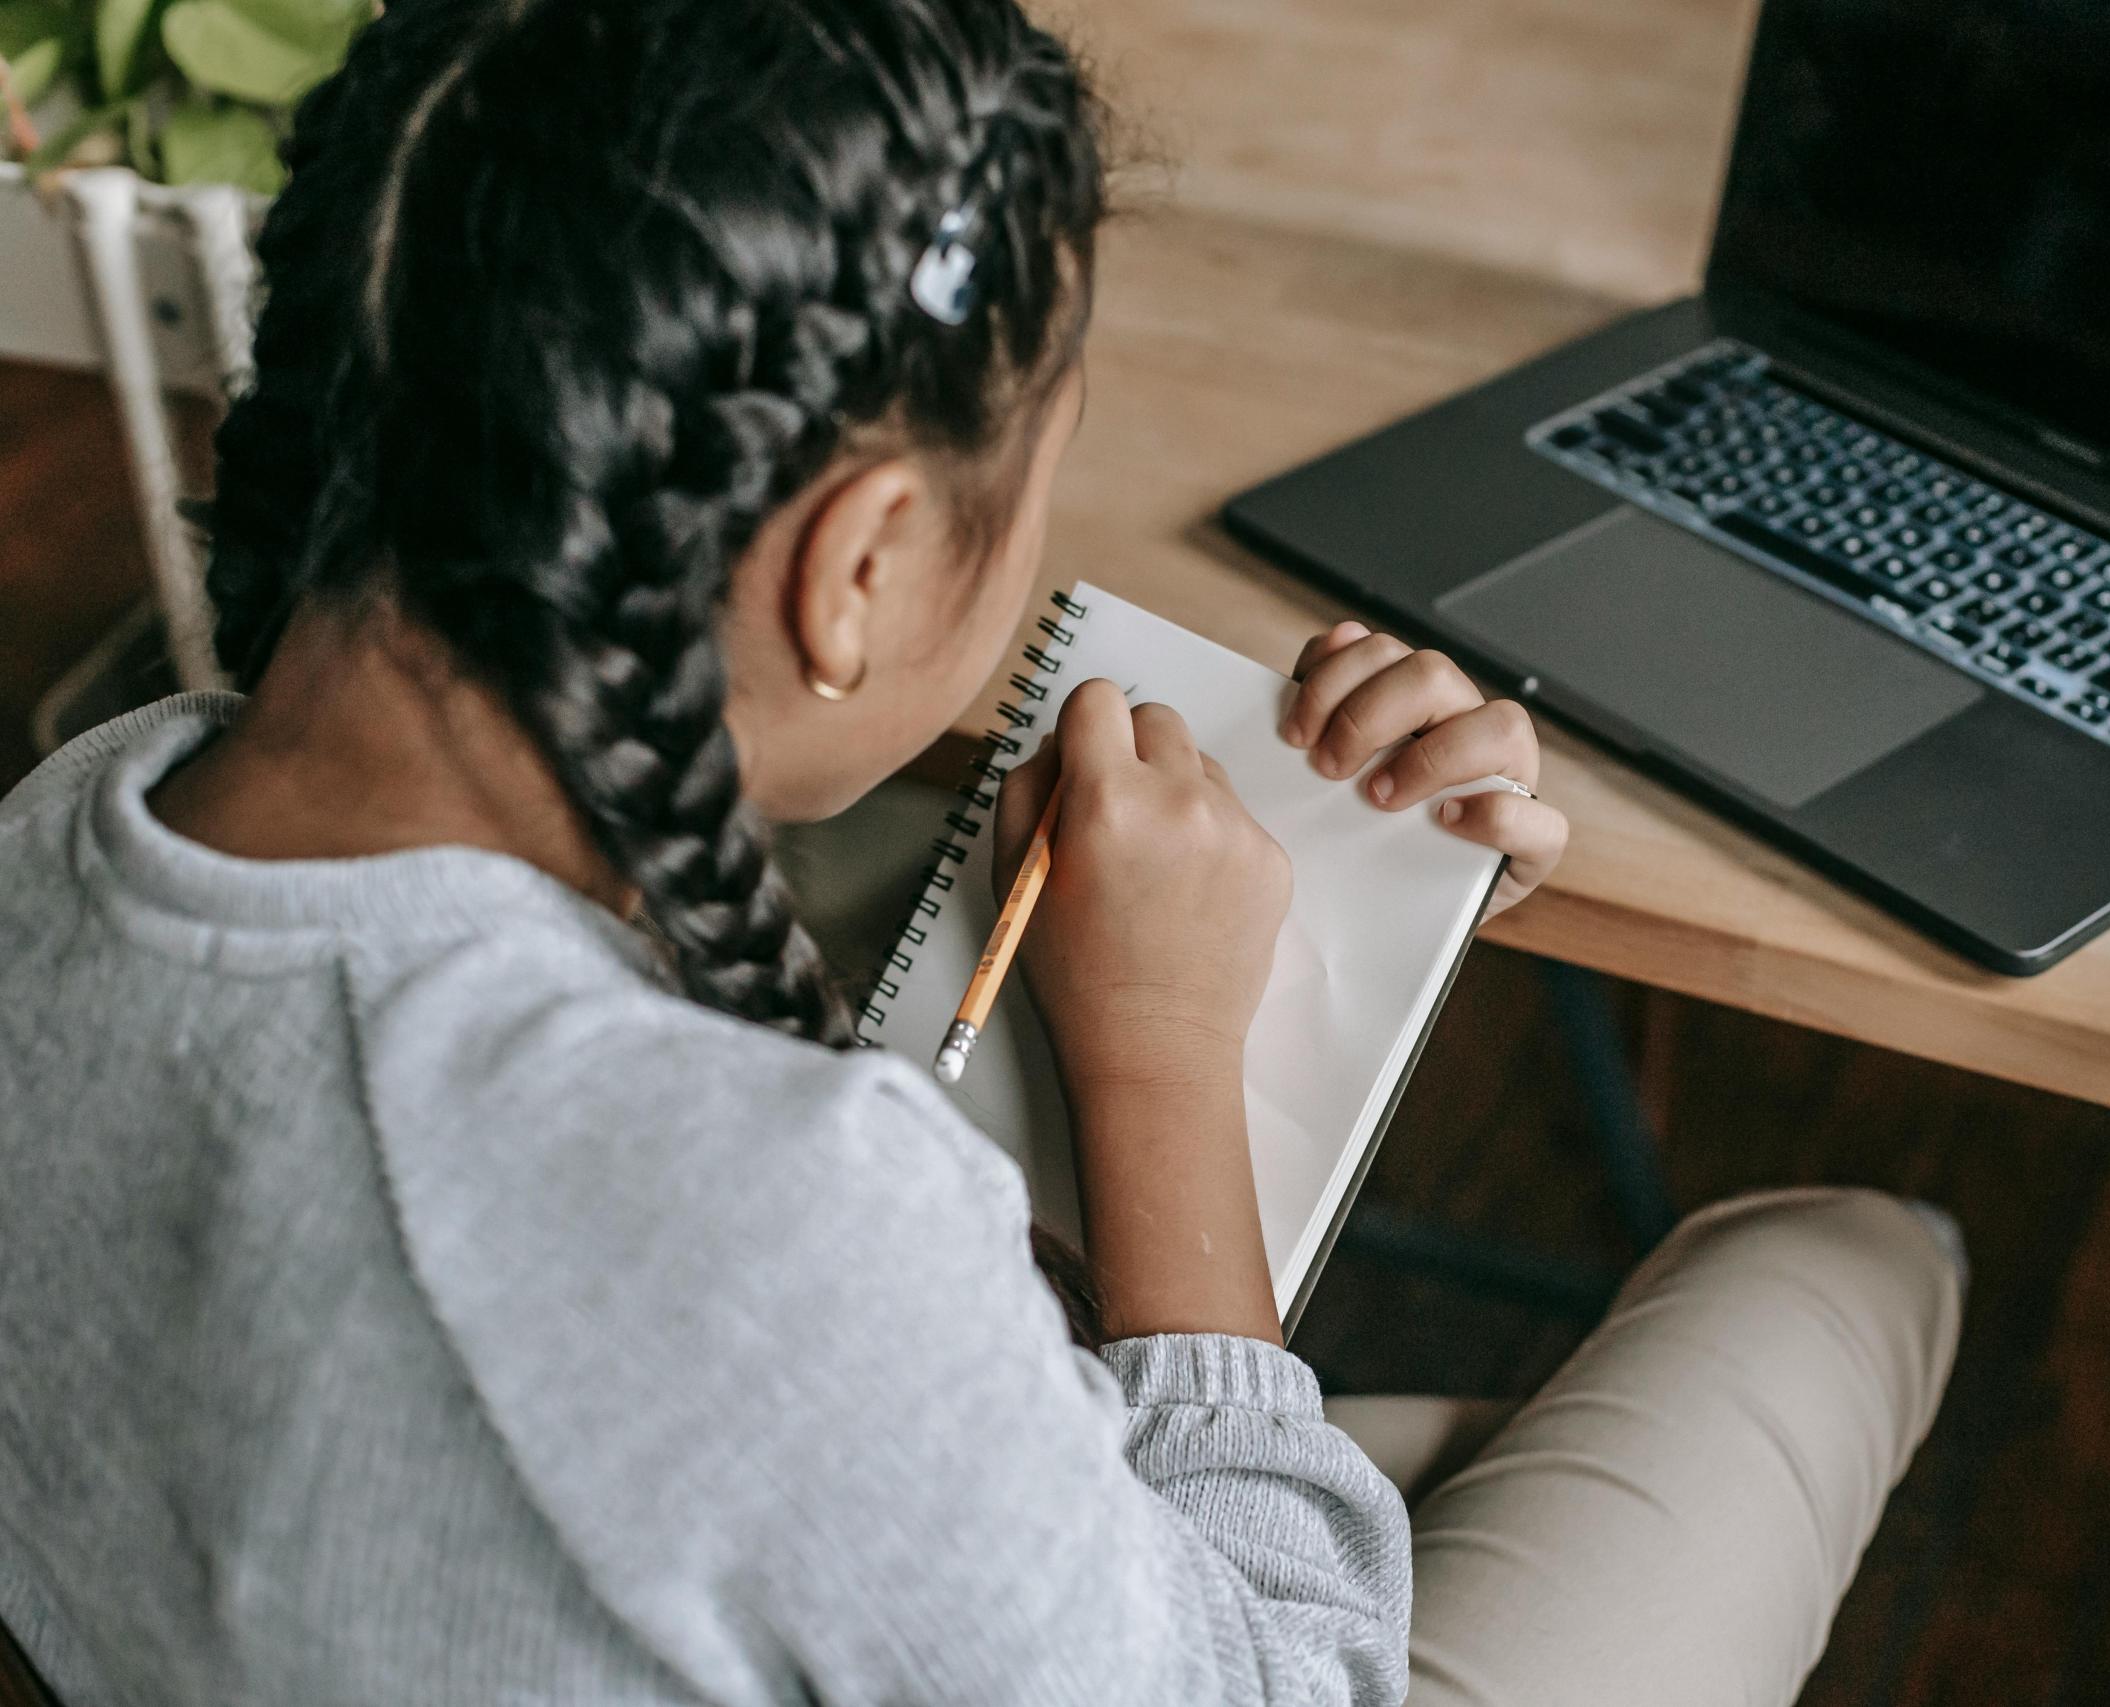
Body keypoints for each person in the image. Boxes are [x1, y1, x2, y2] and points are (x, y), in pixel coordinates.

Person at [0, 0, 1962, 1701]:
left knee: (1446, 1452)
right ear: (849, 567)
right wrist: (1163, 1062)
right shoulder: (777, 1224)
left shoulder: (61, 847)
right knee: (1843, 1263)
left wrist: (1349, 859)